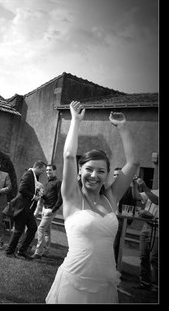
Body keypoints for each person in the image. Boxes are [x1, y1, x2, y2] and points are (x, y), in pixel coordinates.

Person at [45, 100, 139, 303]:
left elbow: (133, 163)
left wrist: (123, 127)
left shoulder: (111, 197)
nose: (94, 175)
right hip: (75, 282)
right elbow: (69, 155)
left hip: (105, 283)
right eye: (89, 169)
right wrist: (76, 121)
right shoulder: (72, 196)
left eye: (101, 171)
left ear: (107, 175)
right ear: (80, 171)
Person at [5, 160, 46, 260]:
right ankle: (10, 251)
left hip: (27, 209)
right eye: (42, 170)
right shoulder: (28, 175)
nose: (43, 172)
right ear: (38, 167)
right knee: (18, 230)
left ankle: (21, 251)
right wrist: (33, 197)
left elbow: (29, 189)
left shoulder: (34, 176)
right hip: (21, 208)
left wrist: (38, 192)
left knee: (32, 228)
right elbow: (22, 189)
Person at [31, 164, 63, 259]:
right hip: (45, 209)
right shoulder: (47, 183)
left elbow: (60, 198)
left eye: (50, 170)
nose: (48, 172)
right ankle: (46, 251)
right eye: (47, 170)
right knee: (46, 232)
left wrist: (53, 210)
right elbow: (45, 196)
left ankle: (38, 253)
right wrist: (41, 193)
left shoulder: (58, 182)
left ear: (55, 171)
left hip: (50, 210)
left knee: (40, 228)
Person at [134, 178, 159, 292]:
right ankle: (145, 283)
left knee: (155, 259)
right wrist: (134, 184)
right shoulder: (154, 190)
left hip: (157, 228)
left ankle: (156, 285)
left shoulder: (151, 192)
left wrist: (144, 186)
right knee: (143, 256)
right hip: (146, 226)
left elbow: (156, 200)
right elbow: (137, 197)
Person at [112, 167, 138, 264]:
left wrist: (127, 222)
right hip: (109, 219)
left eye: (118, 175)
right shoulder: (109, 189)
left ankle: (115, 267)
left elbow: (133, 206)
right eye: (114, 175)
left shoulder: (129, 190)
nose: (116, 177)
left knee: (116, 245)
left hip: (121, 221)